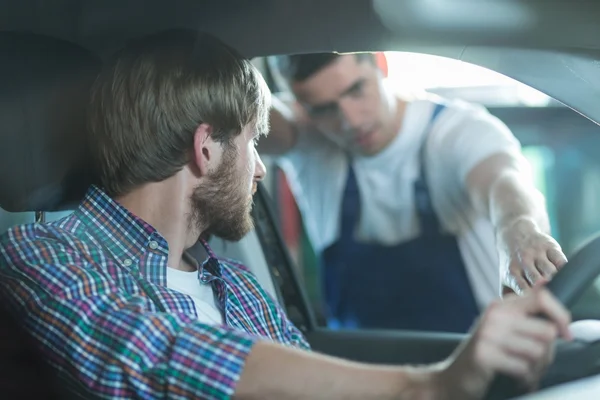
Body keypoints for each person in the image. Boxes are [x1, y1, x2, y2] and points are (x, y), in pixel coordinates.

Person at [0, 30, 573, 400]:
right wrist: (428, 388)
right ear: (205, 148)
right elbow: (154, 352)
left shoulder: (240, 289)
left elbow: (503, 178)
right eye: (253, 144)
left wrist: (520, 232)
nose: (262, 170)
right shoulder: (38, 258)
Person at [264, 53, 568, 332]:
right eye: (325, 108)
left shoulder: (455, 130)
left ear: (380, 64)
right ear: (301, 108)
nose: (351, 120)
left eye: (356, 90)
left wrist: (518, 228)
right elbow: (240, 113)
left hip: (479, 369)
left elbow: (503, 179)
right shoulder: (310, 146)